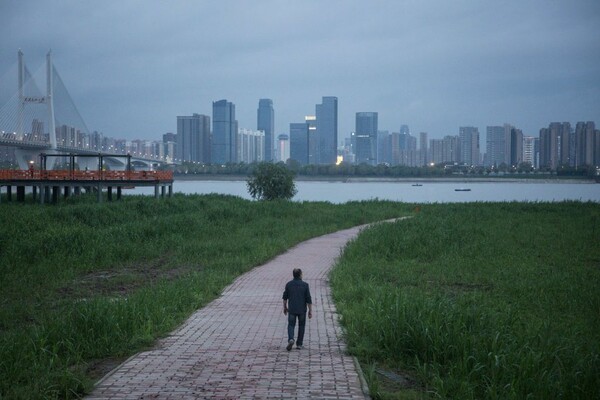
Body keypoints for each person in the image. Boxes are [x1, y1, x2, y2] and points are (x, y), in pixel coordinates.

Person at [282, 268, 312, 351]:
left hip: (292, 309)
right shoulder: (305, 285)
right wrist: (310, 311)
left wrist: (285, 307)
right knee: (301, 326)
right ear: (300, 275)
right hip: (302, 310)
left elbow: (285, 298)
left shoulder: (288, 284)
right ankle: (299, 344)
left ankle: (291, 339)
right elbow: (308, 299)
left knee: (291, 325)